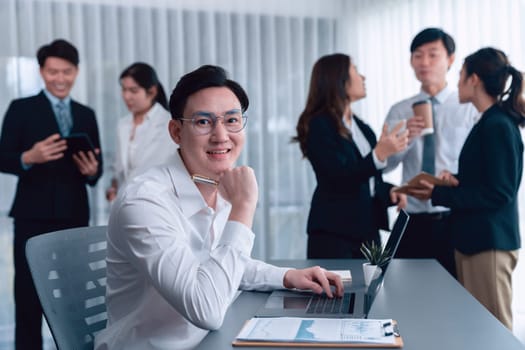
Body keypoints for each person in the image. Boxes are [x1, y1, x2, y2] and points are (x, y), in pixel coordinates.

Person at [94, 65, 344, 350]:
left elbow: (216, 262)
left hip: (211, 341)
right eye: (203, 122)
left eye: (232, 120)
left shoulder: (213, 183)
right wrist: (244, 207)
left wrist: (286, 277)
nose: (221, 135)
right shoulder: (144, 201)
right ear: (176, 131)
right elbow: (206, 308)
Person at [406, 47, 524, 330]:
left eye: (460, 75)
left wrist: (438, 193)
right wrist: (456, 180)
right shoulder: (489, 122)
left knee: (493, 331)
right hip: (476, 240)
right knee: (478, 329)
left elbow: (500, 192)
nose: (456, 82)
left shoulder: (497, 124)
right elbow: (488, 181)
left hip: (489, 243)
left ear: (474, 80)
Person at [0, 39, 102, 350]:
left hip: (74, 216)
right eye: (53, 71)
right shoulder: (21, 109)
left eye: (67, 72)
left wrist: (91, 172)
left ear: (77, 72)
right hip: (32, 216)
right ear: (42, 72)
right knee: (28, 297)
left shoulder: (86, 114)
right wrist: (29, 157)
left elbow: (96, 171)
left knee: (76, 297)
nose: (60, 78)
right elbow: (3, 157)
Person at [383, 28, 479, 277]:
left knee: (457, 297)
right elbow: (386, 165)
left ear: (450, 59)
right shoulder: (400, 110)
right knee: (401, 293)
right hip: (410, 218)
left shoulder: (468, 106)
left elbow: (480, 161)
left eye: (432, 55)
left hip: (453, 217)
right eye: (417, 55)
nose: (424, 62)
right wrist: (406, 140)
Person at [293, 53, 408, 259]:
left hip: (367, 232)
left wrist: (392, 191)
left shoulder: (362, 127)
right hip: (334, 233)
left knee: (370, 290)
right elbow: (336, 177)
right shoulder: (319, 124)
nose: (363, 77)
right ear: (338, 79)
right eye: (355, 70)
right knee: (333, 291)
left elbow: (368, 181)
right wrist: (379, 154)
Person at [106, 62, 175, 201]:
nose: (127, 96)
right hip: (125, 201)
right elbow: (120, 170)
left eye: (133, 91)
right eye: (124, 90)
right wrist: (114, 187)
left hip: (157, 200)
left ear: (152, 91)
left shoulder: (168, 123)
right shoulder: (123, 125)